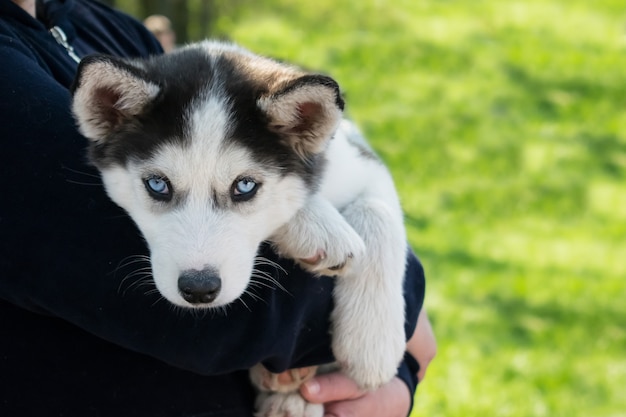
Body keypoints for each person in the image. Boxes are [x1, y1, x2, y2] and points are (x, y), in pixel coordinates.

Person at [0, 0, 436, 416]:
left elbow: (353, 174)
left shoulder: (105, 27)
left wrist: (396, 368)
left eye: (245, 187)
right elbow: (219, 326)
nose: (198, 260)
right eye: (159, 186)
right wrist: (405, 307)